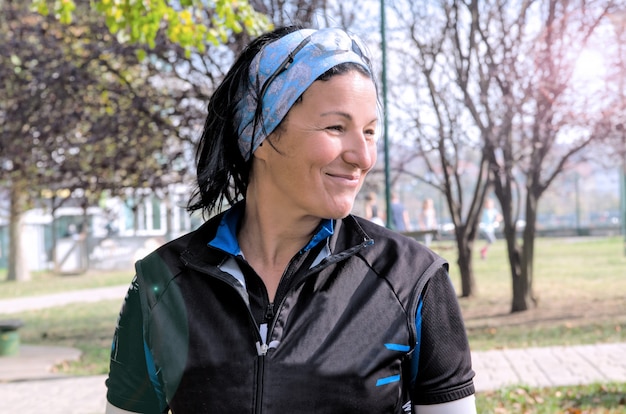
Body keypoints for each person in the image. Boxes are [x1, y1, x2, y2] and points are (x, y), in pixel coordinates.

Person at [105, 25, 476, 414]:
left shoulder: (413, 280)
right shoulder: (160, 284)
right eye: (336, 127)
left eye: (369, 132)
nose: (363, 157)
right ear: (261, 132)